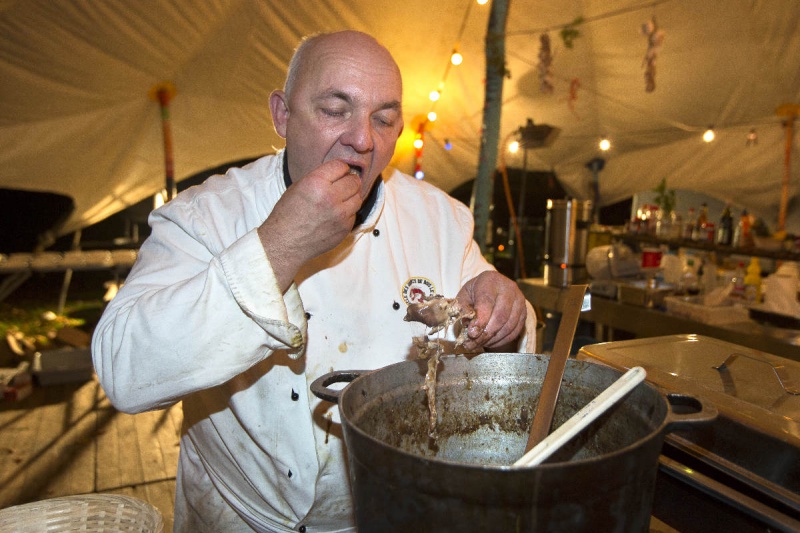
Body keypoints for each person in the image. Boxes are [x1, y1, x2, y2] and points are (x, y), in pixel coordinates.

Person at [92, 30, 536, 532]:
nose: (363, 139)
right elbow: (124, 371)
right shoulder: (204, 216)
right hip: (238, 515)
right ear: (282, 114)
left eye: (384, 118)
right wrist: (279, 243)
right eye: (335, 109)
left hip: (389, 512)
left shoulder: (440, 218)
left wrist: (503, 310)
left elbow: (495, 338)